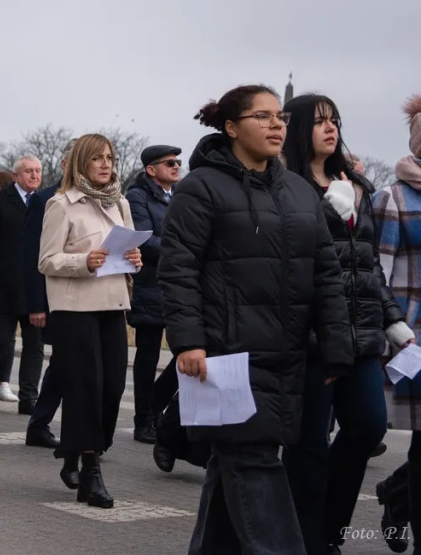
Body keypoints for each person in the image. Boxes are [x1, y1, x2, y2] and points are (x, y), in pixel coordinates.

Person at [159, 84, 353, 554]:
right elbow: (178, 267)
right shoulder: (199, 188)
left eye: (280, 117)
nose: (276, 125)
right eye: (262, 116)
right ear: (231, 127)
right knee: (255, 461)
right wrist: (188, 342)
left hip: (288, 356)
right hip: (226, 356)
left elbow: (326, 271)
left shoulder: (299, 191)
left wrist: (336, 346)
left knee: (237, 467)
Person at [279, 94, 413, 554]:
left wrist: (392, 319)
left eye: (334, 120)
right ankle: (309, 537)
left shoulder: (353, 180)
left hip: (361, 331)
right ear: (298, 129)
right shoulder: (285, 183)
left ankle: (330, 528)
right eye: (319, 122)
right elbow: (292, 257)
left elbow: (368, 264)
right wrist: (324, 211)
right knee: (309, 443)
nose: (330, 128)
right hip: (312, 335)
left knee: (368, 427)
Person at [38, 134, 142, 508]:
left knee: (112, 388)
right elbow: (47, 260)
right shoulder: (60, 205)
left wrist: (133, 260)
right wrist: (85, 261)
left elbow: (125, 250)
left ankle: (74, 451)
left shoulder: (122, 204)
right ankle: (91, 471)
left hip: (113, 305)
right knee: (87, 388)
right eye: (97, 158)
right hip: (74, 308)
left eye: (110, 158)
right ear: (81, 162)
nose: (106, 164)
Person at [372, 95, 421, 555]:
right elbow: (378, 275)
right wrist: (393, 335)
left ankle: (395, 496)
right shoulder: (393, 197)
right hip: (413, 336)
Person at [0, 156, 44, 411]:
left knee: (35, 344)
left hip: (35, 286)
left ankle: (28, 398)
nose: (34, 175)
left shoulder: (46, 201)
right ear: (16, 176)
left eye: (38, 171)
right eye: (28, 171)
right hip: (5, 285)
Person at [125, 145, 182, 444]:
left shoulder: (180, 195)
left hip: (178, 284)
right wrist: (184, 250)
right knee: (146, 356)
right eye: (169, 163)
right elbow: (144, 240)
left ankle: (156, 404)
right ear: (151, 169)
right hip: (150, 284)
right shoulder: (138, 196)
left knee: (187, 351)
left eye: (178, 162)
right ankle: (143, 420)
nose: (176, 167)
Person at [22, 140, 75, 449]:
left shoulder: (99, 199)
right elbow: (32, 256)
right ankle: (42, 423)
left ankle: (41, 424)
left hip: (84, 295)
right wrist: (36, 303)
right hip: (54, 295)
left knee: (66, 363)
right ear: (66, 164)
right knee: (65, 362)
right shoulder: (45, 199)